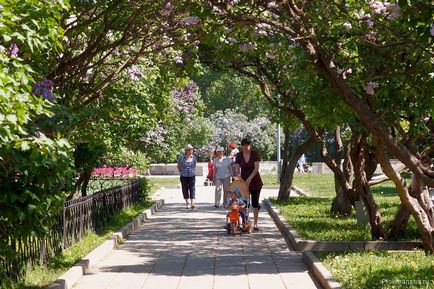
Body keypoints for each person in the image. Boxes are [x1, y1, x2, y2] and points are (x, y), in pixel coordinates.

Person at [235, 138, 263, 231]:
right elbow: (237, 170)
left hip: (255, 182)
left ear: (250, 145)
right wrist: (241, 180)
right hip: (243, 182)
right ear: (242, 146)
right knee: (244, 203)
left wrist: (249, 179)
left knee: (255, 203)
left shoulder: (255, 154)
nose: (246, 146)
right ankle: (244, 222)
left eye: (248, 145)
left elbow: (256, 168)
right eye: (244, 145)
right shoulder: (239, 155)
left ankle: (256, 223)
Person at [177, 144, 197, 209]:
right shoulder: (181, 158)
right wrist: (181, 172)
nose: (191, 150)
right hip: (183, 176)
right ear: (186, 150)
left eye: (192, 149)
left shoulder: (193, 157)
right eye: (190, 149)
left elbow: (194, 165)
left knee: (192, 188)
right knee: (185, 189)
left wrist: (192, 171)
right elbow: (178, 166)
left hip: (192, 175)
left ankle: (192, 203)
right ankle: (187, 202)